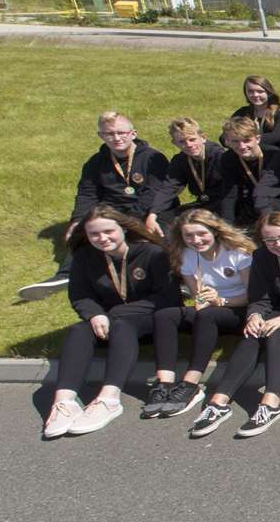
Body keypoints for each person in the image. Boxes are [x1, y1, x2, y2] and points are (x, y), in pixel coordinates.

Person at [188, 212, 280, 439]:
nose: (278, 244)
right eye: (270, 240)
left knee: (277, 331)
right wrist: (255, 315)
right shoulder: (262, 257)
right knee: (253, 333)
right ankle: (219, 401)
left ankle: (271, 403)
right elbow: (260, 297)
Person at [41, 207, 178, 438]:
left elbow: (167, 298)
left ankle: (109, 399)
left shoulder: (153, 253)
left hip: (149, 322)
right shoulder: (84, 257)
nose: (102, 238)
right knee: (79, 330)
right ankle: (64, 402)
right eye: (94, 234)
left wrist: (113, 314)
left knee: (123, 326)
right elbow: (80, 295)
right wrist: (94, 314)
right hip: (105, 322)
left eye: (108, 231)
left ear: (123, 228)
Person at [20, 111, 171, 301]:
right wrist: (77, 221)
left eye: (121, 133)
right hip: (111, 211)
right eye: (109, 134)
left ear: (133, 133)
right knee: (86, 232)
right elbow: (86, 194)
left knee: (161, 233)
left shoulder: (153, 158)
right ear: (101, 136)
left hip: (149, 211)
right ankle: (66, 275)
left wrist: (128, 221)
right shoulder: (95, 162)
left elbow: (154, 192)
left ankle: (172, 278)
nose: (116, 138)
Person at [145, 209, 253, 420]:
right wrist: (203, 301)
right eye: (189, 236)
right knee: (164, 316)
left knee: (208, 315)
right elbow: (198, 295)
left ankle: (191, 383)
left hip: (239, 308)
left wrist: (220, 301)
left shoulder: (237, 252)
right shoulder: (186, 255)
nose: (196, 240)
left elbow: (253, 296)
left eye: (201, 234)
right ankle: (164, 383)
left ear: (214, 230)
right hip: (210, 310)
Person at [151, 116, 228, 218]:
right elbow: (169, 187)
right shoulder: (180, 160)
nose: (188, 145)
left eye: (192, 139)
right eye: (182, 142)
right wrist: (153, 212)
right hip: (202, 204)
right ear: (174, 143)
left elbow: (231, 192)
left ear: (203, 137)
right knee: (163, 219)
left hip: (223, 204)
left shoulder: (221, 157)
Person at [232, 75, 280, 147]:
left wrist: (245, 140)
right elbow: (224, 137)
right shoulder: (243, 112)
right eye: (250, 91)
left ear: (268, 93)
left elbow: (277, 137)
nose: (255, 95)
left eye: (260, 91)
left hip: (275, 154)